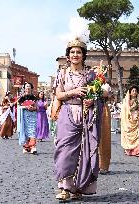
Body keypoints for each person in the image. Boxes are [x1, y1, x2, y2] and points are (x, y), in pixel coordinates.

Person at [54, 37, 102, 200]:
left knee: (84, 151)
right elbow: (58, 94)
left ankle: (78, 187)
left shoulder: (90, 75)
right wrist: (72, 93)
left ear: (83, 55)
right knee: (65, 150)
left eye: (78, 52)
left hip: (86, 114)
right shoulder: (63, 73)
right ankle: (64, 188)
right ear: (68, 55)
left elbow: (97, 94)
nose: (75, 55)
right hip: (67, 113)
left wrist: (92, 100)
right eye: (72, 52)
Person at [121, 85, 139, 156]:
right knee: (129, 135)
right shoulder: (126, 101)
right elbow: (124, 110)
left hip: (138, 119)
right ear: (130, 92)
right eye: (133, 91)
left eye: (136, 91)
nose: (134, 92)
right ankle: (130, 150)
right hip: (129, 120)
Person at [17, 82, 38, 154]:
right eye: (26, 87)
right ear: (24, 88)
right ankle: (26, 147)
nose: (28, 88)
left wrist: (32, 108)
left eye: (29, 87)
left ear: (31, 89)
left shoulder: (34, 98)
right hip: (24, 116)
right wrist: (25, 107)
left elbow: (37, 107)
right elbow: (18, 106)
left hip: (32, 116)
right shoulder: (21, 98)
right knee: (25, 131)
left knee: (32, 131)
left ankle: (33, 147)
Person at [98, 82, 112, 174]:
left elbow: (106, 94)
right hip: (88, 109)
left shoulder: (105, 85)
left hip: (102, 109)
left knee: (104, 137)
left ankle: (102, 165)